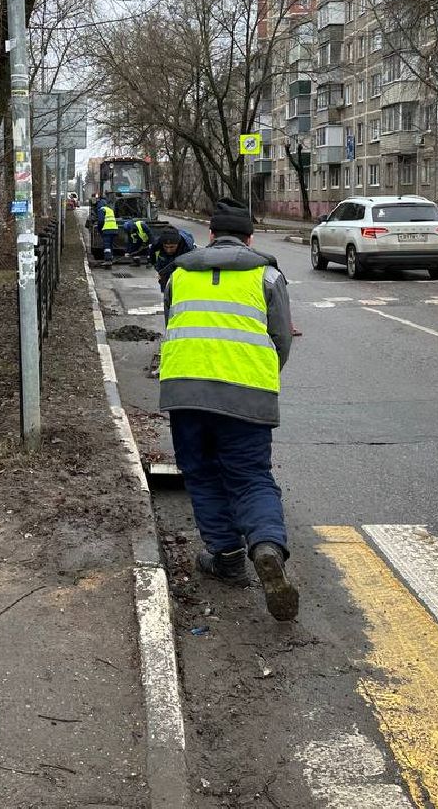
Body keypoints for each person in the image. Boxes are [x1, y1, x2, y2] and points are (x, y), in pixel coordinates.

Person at [159, 197, 298, 621]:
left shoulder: (179, 274)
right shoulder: (268, 275)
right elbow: (281, 339)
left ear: (211, 235)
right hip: (246, 393)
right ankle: (266, 545)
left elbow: (172, 324)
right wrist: (259, 373)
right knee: (251, 476)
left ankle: (227, 556)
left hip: (185, 391)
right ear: (250, 238)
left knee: (200, 472)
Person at [98, 199, 120, 263]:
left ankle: (108, 260)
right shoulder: (110, 210)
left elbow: (101, 221)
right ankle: (111, 257)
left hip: (107, 230)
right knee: (110, 244)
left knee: (107, 245)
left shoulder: (101, 210)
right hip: (114, 229)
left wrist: (100, 229)